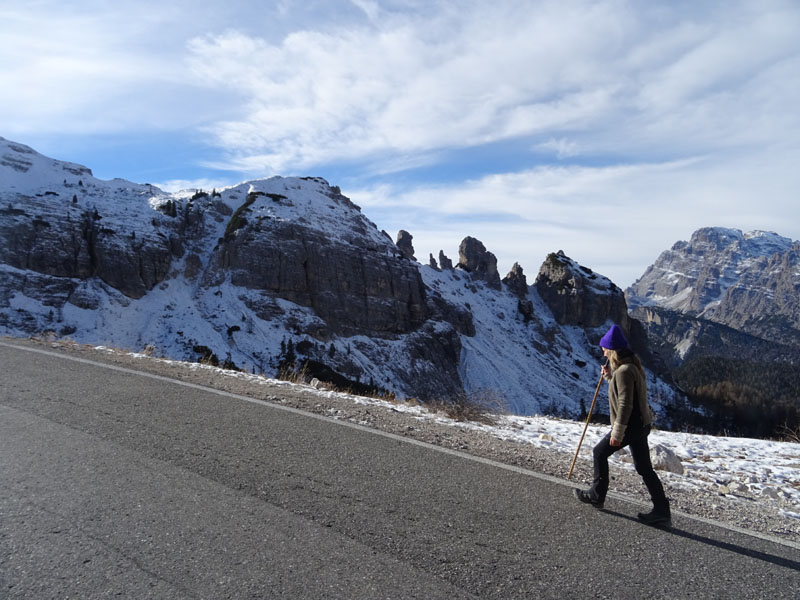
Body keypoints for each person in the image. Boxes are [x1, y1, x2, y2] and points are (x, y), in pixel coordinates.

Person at [573, 324, 671, 527]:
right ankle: (662, 510)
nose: (602, 351)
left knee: (599, 452)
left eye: (605, 348)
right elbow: (624, 392)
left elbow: (625, 403)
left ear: (613, 350)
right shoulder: (630, 366)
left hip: (630, 426)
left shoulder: (624, 371)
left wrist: (617, 432)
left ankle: (596, 495)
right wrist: (610, 377)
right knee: (644, 468)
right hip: (640, 425)